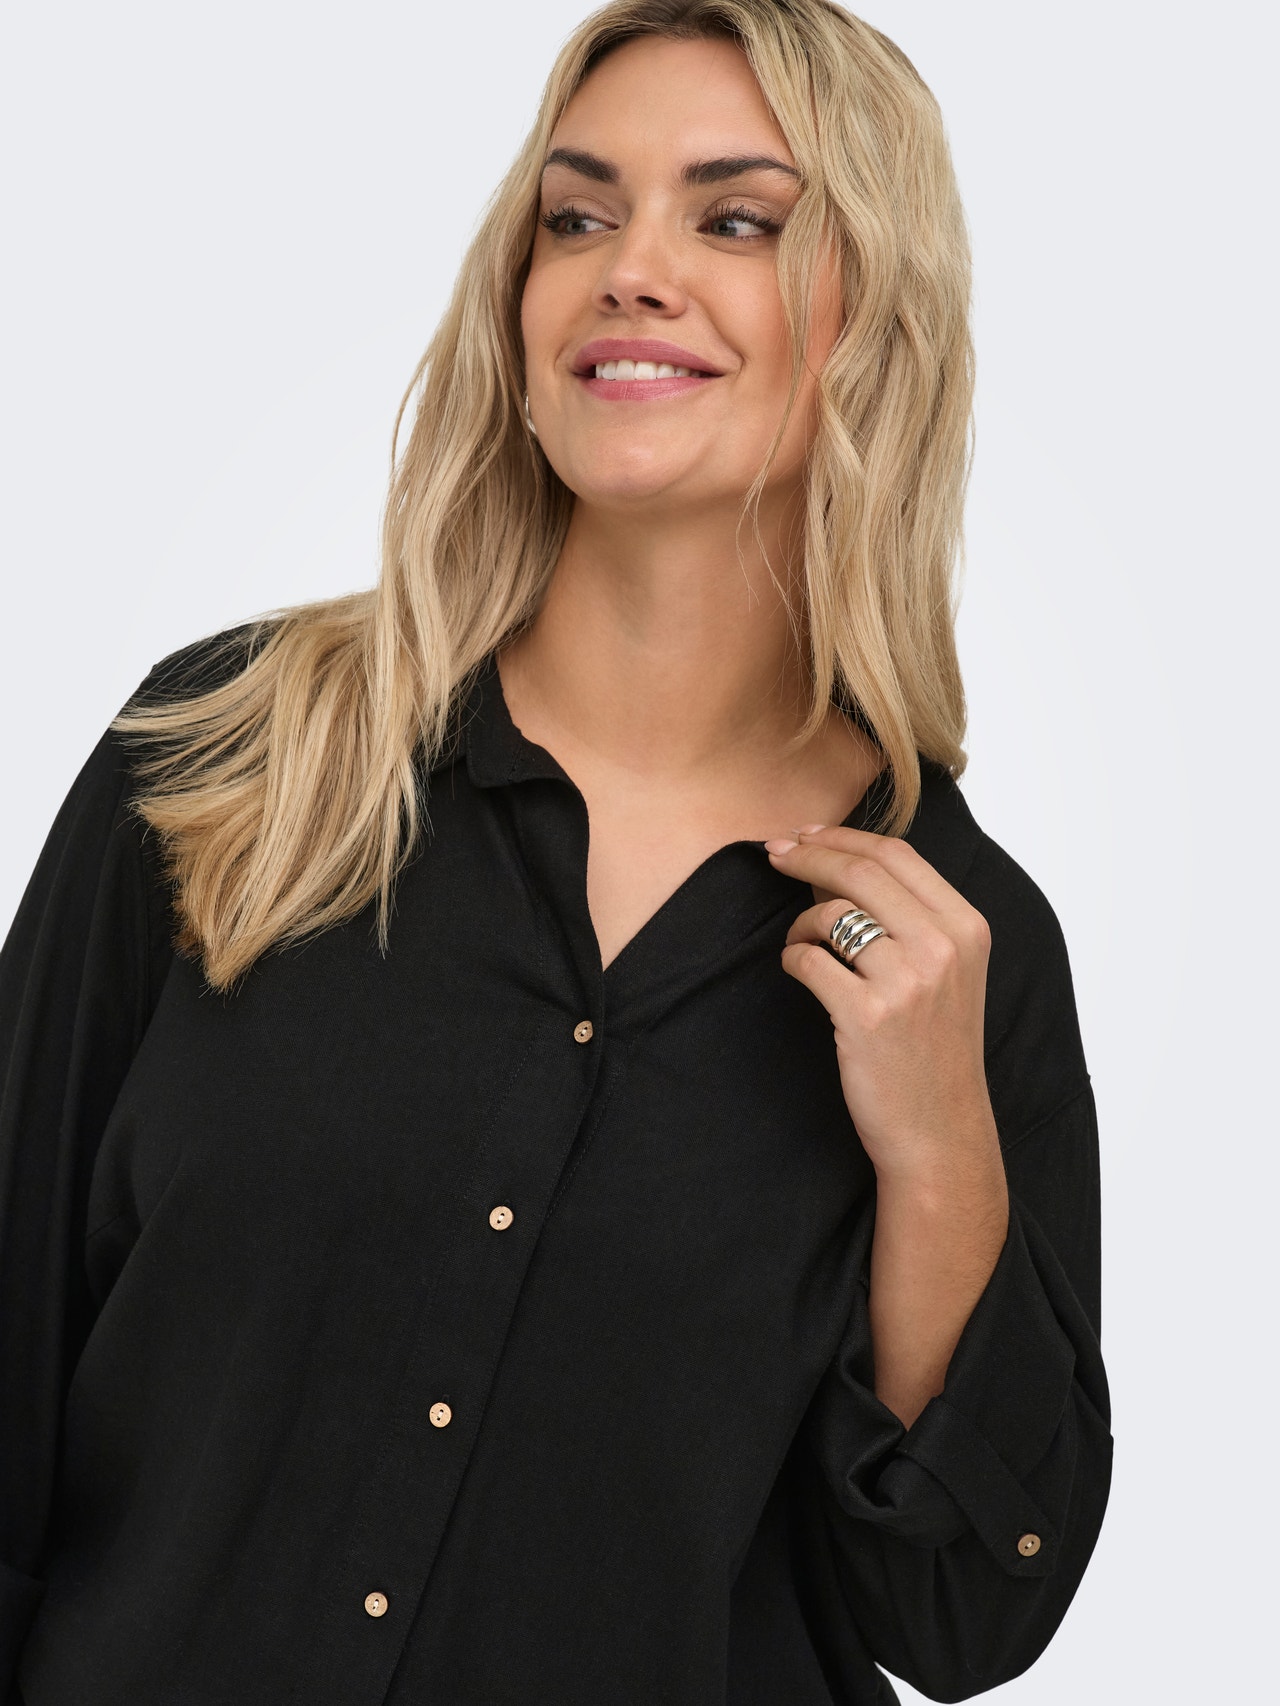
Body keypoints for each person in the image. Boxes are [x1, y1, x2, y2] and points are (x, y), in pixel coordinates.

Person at [0, 2, 1113, 1702]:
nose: (630, 271)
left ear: (874, 318)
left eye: (735, 220)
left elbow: (965, 1620)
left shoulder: (960, 951)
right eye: (578, 215)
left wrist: (943, 1156)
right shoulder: (231, 759)